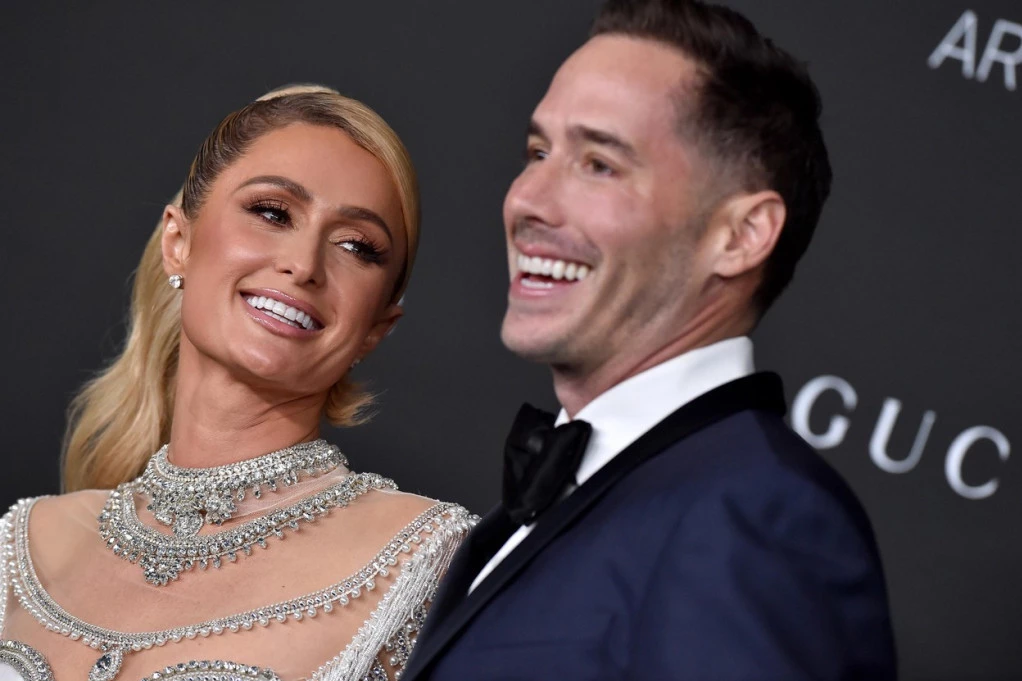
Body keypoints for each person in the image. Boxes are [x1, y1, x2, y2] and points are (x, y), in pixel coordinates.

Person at [402, 1, 896, 679]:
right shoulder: (615, 494)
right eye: (538, 152)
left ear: (741, 236)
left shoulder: (759, 518)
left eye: (599, 164)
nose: (527, 200)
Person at [0, 84, 474, 681]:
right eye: (273, 212)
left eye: (356, 246)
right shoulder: (21, 546)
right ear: (179, 243)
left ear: (376, 327)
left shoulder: (430, 562)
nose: (304, 264)